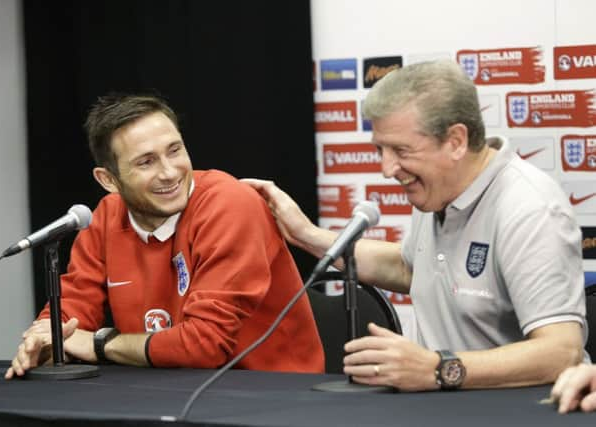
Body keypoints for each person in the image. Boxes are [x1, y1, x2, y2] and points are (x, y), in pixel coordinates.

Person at [243, 59, 587, 391]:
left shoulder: (529, 208)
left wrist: (439, 368)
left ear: (455, 141)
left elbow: (561, 352)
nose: (387, 168)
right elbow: (410, 269)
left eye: (400, 150)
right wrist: (306, 234)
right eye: (380, 149)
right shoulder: (437, 189)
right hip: (444, 410)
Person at [6, 94, 324, 378]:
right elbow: (74, 303)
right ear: (108, 180)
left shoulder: (229, 202)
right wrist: (47, 338)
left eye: (175, 150)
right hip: (163, 386)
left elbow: (204, 344)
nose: (170, 172)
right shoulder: (106, 216)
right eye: (146, 162)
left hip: (269, 393)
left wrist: (100, 343)